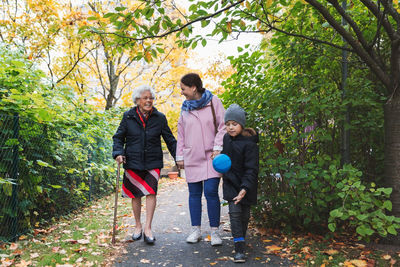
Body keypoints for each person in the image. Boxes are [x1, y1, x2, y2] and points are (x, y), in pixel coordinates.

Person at [112, 85, 176, 245]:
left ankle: (148, 228)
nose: (149, 101)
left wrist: (179, 157)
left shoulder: (159, 117)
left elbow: (170, 139)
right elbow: (118, 137)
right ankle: (138, 226)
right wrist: (118, 153)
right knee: (135, 194)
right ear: (137, 100)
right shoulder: (128, 116)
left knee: (151, 192)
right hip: (132, 160)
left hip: (152, 161)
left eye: (151, 98)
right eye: (145, 98)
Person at [176, 73, 226, 246]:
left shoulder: (214, 101)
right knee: (194, 194)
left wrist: (218, 147)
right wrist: (180, 156)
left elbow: (223, 125)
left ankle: (215, 232)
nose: (181, 92)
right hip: (192, 156)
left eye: (183, 88)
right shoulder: (185, 108)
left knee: (211, 191)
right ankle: (195, 229)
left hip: (212, 157)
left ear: (193, 87)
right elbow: (180, 133)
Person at [221, 104, 259, 263]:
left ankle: (241, 239)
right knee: (234, 215)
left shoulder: (250, 144)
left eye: (234, 124)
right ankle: (239, 248)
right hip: (230, 183)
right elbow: (226, 159)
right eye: (228, 124)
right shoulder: (226, 139)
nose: (230, 127)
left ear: (242, 124)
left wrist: (244, 188)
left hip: (246, 185)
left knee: (244, 216)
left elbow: (251, 169)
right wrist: (219, 160)